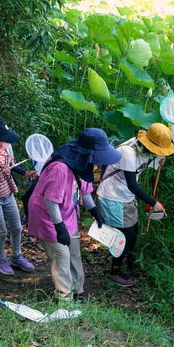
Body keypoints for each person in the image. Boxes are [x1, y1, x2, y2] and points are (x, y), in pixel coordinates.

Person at [28, 128, 121, 300]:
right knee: (61, 257)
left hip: (67, 213)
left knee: (74, 253)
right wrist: (59, 227)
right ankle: (64, 298)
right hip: (48, 216)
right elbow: (51, 201)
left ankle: (78, 289)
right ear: (89, 152)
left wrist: (95, 211)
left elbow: (84, 192)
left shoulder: (83, 163)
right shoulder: (61, 168)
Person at [96, 123, 174, 287]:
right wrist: (154, 203)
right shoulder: (128, 152)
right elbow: (132, 184)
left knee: (134, 232)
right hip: (113, 196)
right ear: (149, 144)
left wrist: (158, 161)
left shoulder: (145, 149)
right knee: (124, 237)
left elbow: (142, 165)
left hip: (126, 196)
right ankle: (115, 271)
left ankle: (131, 265)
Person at [0, 117, 37, 276]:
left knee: (17, 227)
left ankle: (17, 256)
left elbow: (12, 166)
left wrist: (25, 173)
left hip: (8, 194)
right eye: (2, 141)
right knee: (1, 231)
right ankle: (0, 259)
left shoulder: (6, 150)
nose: (5, 144)